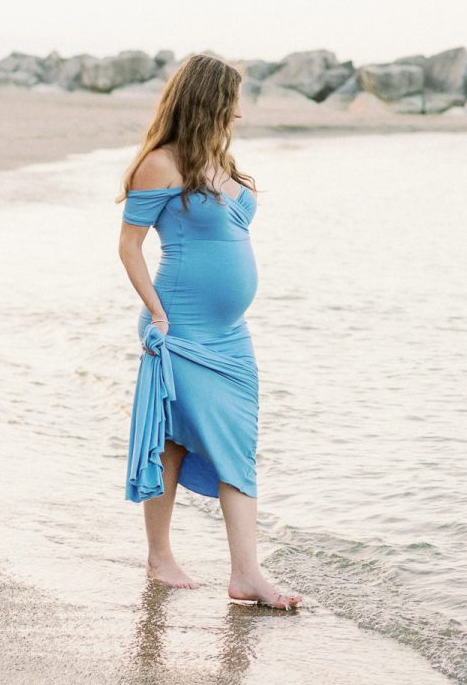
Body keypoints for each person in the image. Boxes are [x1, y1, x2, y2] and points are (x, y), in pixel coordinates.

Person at [116, 52, 302, 609]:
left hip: (230, 336)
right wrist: (157, 314)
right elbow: (130, 247)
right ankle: (159, 557)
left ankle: (246, 574)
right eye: (232, 101)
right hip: (182, 328)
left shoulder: (222, 161)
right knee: (170, 444)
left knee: (238, 445)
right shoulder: (162, 163)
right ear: (208, 101)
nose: (238, 112)